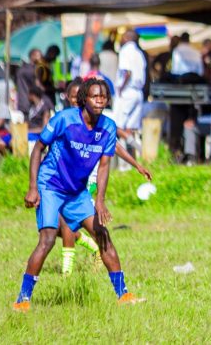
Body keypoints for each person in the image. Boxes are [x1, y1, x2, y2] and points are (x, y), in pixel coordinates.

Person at [13, 78, 145, 310]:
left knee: (102, 235)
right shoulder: (64, 120)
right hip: (51, 185)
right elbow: (38, 149)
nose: (100, 100)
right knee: (48, 240)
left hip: (77, 191)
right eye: (95, 96)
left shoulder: (108, 127)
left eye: (103, 96)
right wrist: (33, 187)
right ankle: (22, 300)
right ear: (84, 99)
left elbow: (104, 167)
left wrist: (100, 202)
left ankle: (123, 295)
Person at [57, 79, 151, 276]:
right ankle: (93, 248)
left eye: (78, 98)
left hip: (87, 180)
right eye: (73, 98)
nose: (76, 101)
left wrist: (136, 165)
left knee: (66, 223)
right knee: (57, 226)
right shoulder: (66, 120)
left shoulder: (99, 121)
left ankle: (66, 274)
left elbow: (115, 144)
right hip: (64, 181)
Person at [114, 30, 147, 160]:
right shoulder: (139, 53)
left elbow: (127, 72)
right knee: (130, 129)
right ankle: (134, 159)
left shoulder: (125, 51)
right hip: (139, 92)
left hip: (127, 91)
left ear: (127, 38)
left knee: (117, 127)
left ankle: (136, 153)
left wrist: (121, 89)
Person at [16, 49, 42, 119]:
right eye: (39, 56)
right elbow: (37, 85)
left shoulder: (23, 68)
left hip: (23, 102)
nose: (41, 58)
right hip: (28, 102)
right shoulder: (30, 70)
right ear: (32, 56)